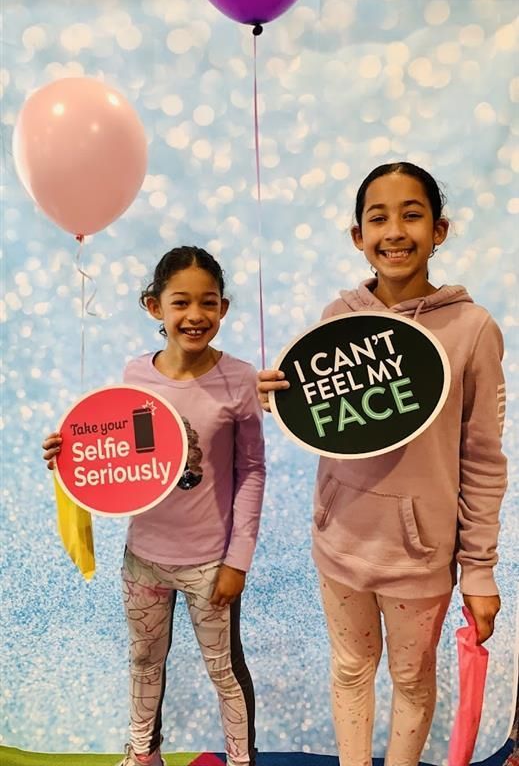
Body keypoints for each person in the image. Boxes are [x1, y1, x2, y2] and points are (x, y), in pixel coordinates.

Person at [258, 162, 507, 766]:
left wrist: (477, 569)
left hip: (419, 558)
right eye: (378, 217)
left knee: (413, 682)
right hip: (340, 545)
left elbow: (483, 460)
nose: (395, 231)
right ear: (358, 236)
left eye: (412, 215)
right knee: (349, 670)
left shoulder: (472, 330)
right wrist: (285, 399)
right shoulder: (336, 319)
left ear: (440, 230)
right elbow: (333, 427)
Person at [43, 246, 266, 766]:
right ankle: (143, 754)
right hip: (143, 558)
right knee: (144, 660)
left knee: (223, 669)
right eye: (181, 302)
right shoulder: (134, 374)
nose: (195, 316)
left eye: (208, 303)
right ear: (154, 307)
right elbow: (116, 452)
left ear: (224, 309)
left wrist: (238, 559)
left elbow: (252, 470)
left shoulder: (239, 379)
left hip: (211, 563)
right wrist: (69, 454)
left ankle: (241, 759)